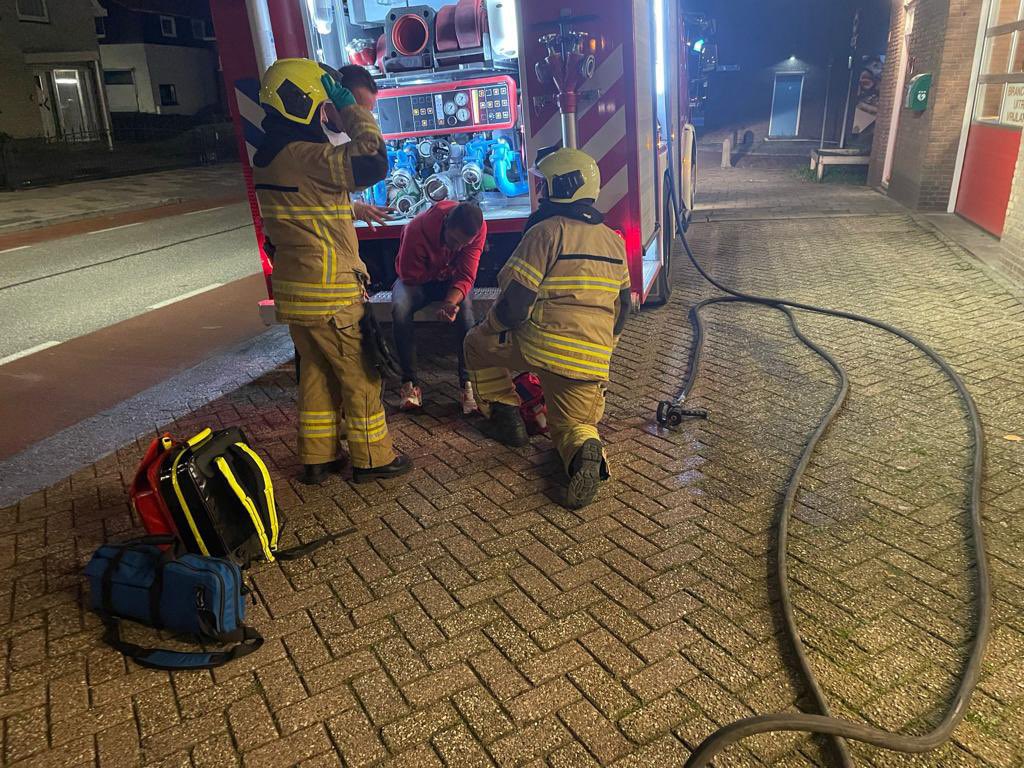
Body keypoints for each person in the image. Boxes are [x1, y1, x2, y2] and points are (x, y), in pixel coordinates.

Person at [253, 58, 411, 485]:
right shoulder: (307, 155)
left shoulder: (269, 156)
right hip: (330, 293)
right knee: (361, 376)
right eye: (323, 100)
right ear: (302, 101)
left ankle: (318, 457)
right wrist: (352, 107)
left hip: (296, 293)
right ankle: (373, 459)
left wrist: (354, 209)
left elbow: (307, 207)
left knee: (317, 374)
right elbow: (373, 161)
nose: (328, 110)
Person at [463, 148, 631, 509]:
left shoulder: (546, 232)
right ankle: (588, 451)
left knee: (476, 345)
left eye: (543, 184)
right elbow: (624, 306)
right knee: (571, 428)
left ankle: (506, 417)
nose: (539, 191)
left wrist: (487, 327)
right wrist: (604, 348)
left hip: (537, 347)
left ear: (562, 187)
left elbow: (515, 305)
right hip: (588, 361)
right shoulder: (615, 241)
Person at [392, 201, 486, 413]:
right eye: (454, 240)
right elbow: (408, 275)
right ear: (445, 224)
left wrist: (450, 302)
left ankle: (467, 384)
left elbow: (466, 275)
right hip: (417, 281)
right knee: (400, 307)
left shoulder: (478, 230)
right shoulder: (416, 229)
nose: (458, 248)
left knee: (466, 312)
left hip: (450, 282)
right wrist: (441, 272)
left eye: (464, 244)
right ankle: (409, 384)